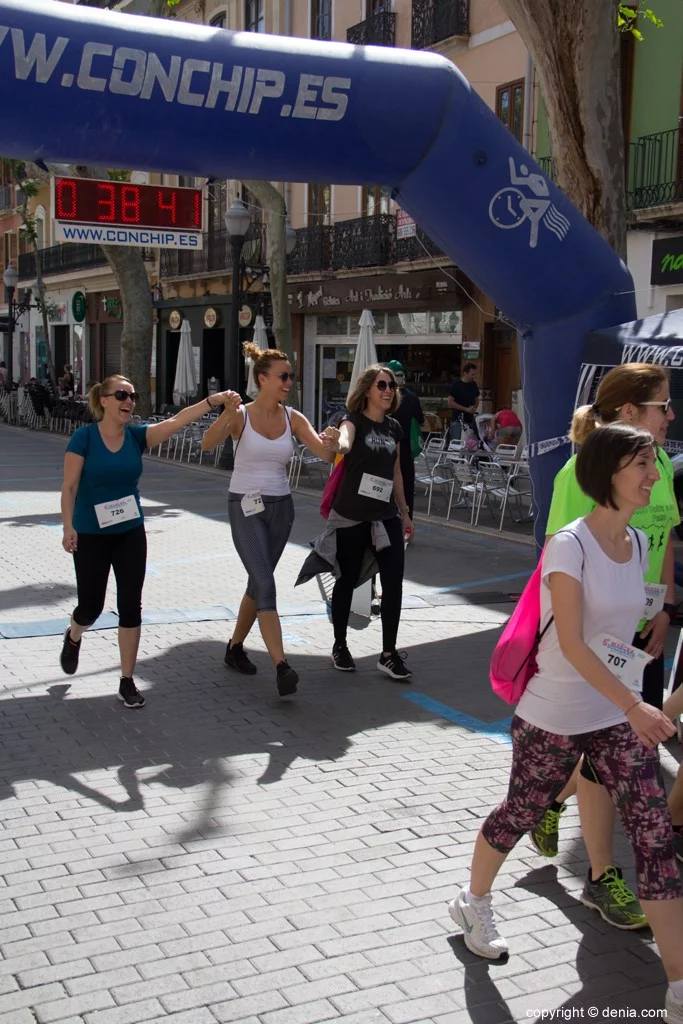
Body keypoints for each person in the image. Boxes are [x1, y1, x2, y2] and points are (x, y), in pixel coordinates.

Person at [449, 424, 683, 1024]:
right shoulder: (568, 546)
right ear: (609, 472)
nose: (654, 476)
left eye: (653, 465)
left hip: (613, 714)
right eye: (643, 465)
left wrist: (635, 689)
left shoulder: (636, 543)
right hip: (552, 713)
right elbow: (575, 644)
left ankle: (679, 984)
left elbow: (614, 640)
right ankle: (473, 902)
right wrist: (636, 704)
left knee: (655, 835)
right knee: (519, 813)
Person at [530, 363, 678, 929]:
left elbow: (661, 533)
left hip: (644, 631)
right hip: (598, 644)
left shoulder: (657, 462)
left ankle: (552, 802)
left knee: (614, 752)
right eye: (661, 405)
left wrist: (663, 607)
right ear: (627, 413)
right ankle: (599, 875)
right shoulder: (579, 473)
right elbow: (559, 562)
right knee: (610, 754)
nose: (670, 415)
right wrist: (600, 637)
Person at [60, 374, 237, 707]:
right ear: (104, 401)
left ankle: (127, 680)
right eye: (122, 395)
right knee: (91, 607)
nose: (129, 401)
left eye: (133, 395)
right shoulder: (83, 438)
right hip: (91, 535)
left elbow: (177, 420)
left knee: (131, 605)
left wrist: (212, 402)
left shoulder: (136, 437)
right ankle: (74, 635)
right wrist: (68, 526)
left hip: (129, 531)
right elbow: (69, 487)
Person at [201, 343, 337, 698]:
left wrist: (334, 442)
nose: (288, 382)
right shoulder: (241, 415)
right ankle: (282, 666)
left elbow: (325, 455)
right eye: (283, 376)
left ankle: (234, 648)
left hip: (282, 509)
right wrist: (225, 413)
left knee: (258, 582)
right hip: (244, 504)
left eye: (290, 376)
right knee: (265, 581)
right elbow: (206, 443)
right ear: (262, 379)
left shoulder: (293, 417)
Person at [325, 364, 413, 679]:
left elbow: (397, 472)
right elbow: (345, 444)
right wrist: (336, 443)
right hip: (352, 514)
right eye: (382, 385)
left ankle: (388, 654)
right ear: (366, 391)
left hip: (385, 515)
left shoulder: (394, 429)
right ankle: (340, 646)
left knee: (393, 583)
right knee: (347, 579)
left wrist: (404, 512)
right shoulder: (353, 422)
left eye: (392, 386)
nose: (389, 390)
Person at [386, 359, 425, 521]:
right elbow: (421, 420)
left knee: (387, 485)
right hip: (407, 448)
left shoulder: (385, 397)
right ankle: (407, 521)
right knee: (407, 486)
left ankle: (388, 520)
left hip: (386, 448)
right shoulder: (412, 398)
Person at [447, 362, 480, 442]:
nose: (473, 377)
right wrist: (465, 409)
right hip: (458, 420)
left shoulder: (473, 384)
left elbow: (477, 399)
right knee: (456, 443)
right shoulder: (456, 385)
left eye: (474, 374)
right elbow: (450, 402)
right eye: (472, 374)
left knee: (470, 444)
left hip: (470, 420)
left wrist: (474, 408)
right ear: (465, 373)